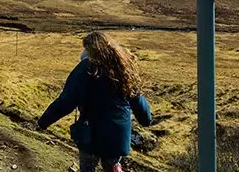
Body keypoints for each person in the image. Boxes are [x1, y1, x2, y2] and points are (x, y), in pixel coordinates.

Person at [37, 31, 152, 172]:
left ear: (90, 48)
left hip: (92, 133)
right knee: (113, 167)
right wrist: (146, 119)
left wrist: (44, 121)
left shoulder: (87, 67)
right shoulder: (122, 67)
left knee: (88, 168)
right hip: (118, 135)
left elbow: (67, 100)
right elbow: (136, 97)